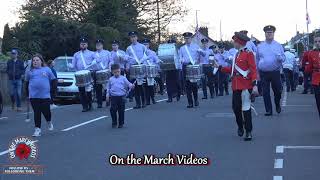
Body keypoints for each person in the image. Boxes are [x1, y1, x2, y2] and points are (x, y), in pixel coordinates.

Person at [220, 32, 258, 141]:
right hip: (236, 85)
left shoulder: (249, 54)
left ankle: (248, 131)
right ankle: (240, 126)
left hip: (246, 85)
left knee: (246, 108)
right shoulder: (236, 55)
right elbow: (233, 70)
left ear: (239, 42)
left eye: (235, 41)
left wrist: (254, 85)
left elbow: (253, 70)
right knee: (236, 108)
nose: (233, 43)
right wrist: (220, 67)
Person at [25, 54, 57, 137]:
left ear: (41, 61)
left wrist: (52, 91)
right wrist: (27, 94)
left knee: (46, 112)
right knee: (37, 113)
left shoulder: (47, 69)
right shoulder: (30, 72)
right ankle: (37, 129)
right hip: (34, 96)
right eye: (34, 61)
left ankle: (49, 122)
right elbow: (27, 83)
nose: (35, 62)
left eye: (37, 60)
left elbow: (53, 80)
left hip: (45, 96)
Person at [257, 25, 285, 116]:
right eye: (267, 33)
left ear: (273, 34)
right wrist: (257, 72)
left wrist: (281, 58)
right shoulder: (260, 46)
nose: (269, 34)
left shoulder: (278, 45)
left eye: (271, 32)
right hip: (263, 72)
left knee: (278, 91)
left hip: (275, 71)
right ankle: (268, 110)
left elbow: (284, 58)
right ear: (265, 34)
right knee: (265, 92)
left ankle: (277, 104)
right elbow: (257, 59)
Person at [70, 37, 96, 112]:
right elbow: (73, 65)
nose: (83, 45)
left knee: (88, 90)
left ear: (87, 45)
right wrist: (70, 66)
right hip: (80, 74)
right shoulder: (76, 54)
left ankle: (90, 104)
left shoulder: (92, 53)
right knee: (81, 91)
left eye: (84, 44)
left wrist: (93, 62)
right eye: (82, 44)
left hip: (88, 73)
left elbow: (97, 60)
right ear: (80, 45)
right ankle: (84, 106)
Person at [106, 64, 134, 128]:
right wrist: (107, 94)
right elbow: (108, 88)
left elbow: (128, 84)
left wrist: (131, 86)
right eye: (115, 72)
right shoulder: (110, 79)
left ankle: (121, 123)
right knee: (113, 109)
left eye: (118, 71)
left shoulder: (123, 78)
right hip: (113, 97)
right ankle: (114, 122)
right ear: (112, 72)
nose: (117, 73)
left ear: (120, 71)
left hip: (121, 96)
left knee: (121, 110)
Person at [125, 31, 148, 109]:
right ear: (130, 38)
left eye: (134, 36)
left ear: (137, 37)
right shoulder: (128, 48)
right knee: (135, 86)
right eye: (131, 37)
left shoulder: (142, 46)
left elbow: (147, 55)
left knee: (142, 85)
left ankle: (144, 101)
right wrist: (127, 66)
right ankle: (138, 103)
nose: (133, 38)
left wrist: (145, 63)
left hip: (141, 67)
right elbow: (127, 59)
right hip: (133, 68)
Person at [179, 32, 201, 108]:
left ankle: (196, 100)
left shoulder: (196, 46)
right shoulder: (182, 48)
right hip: (186, 66)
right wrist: (181, 60)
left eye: (188, 38)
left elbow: (201, 55)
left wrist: (200, 54)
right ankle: (190, 102)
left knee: (194, 85)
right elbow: (180, 57)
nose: (187, 40)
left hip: (193, 66)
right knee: (187, 85)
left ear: (191, 38)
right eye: (185, 38)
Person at [304, 34, 320, 118]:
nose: (317, 43)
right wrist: (305, 71)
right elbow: (309, 67)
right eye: (316, 41)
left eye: (319, 41)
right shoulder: (311, 53)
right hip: (316, 80)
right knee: (318, 102)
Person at [141, 38, 160, 105]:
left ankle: (153, 98)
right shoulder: (141, 54)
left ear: (149, 45)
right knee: (145, 86)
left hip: (151, 71)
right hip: (143, 71)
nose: (145, 46)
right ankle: (147, 100)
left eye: (146, 44)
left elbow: (156, 61)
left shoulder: (152, 53)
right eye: (144, 44)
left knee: (151, 86)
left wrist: (155, 66)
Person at [94, 39, 111, 108]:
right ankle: (99, 103)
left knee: (107, 87)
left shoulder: (107, 52)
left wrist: (110, 67)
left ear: (102, 45)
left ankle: (108, 100)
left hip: (106, 71)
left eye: (99, 44)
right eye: (97, 44)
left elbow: (111, 61)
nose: (98, 45)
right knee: (98, 88)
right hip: (97, 72)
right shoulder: (93, 54)